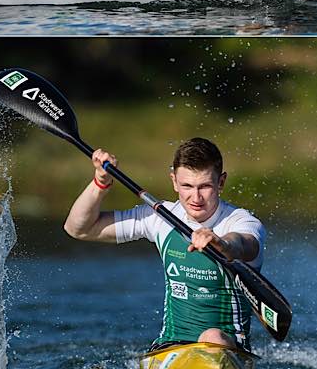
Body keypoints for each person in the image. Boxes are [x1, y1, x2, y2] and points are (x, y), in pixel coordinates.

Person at [63, 137, 265, 352]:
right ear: (174, 181)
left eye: (205, 186)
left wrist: (220, 242)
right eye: (187, 186)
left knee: (213, 336)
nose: (195, 197)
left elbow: (245, 245)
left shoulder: (240, 221)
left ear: (221, 182)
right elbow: (78, 228)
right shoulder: (160, 217)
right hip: (170, 347)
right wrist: (100, 182)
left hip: (229, 348)